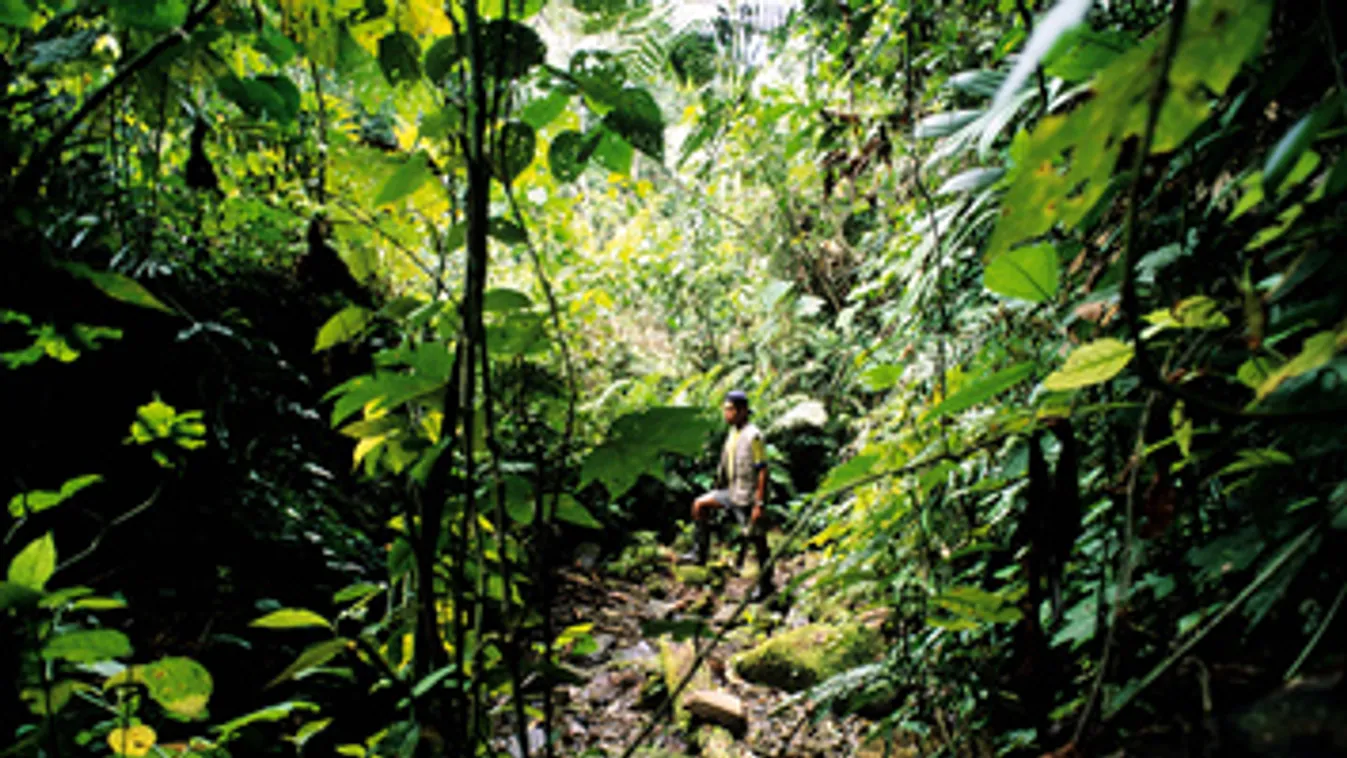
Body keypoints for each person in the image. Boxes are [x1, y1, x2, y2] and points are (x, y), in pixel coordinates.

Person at [682, 390, 774, 600]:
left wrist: (759, 503)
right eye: (725, 409)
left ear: (742, 411)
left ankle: (767, 584)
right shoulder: (733, 433)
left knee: (758, 540)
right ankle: (699, 553)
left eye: (730, 409)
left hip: (748, 497)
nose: (727, 414)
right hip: (731, 491)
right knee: (699, 505)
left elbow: (763, 470)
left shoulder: (754, 436)